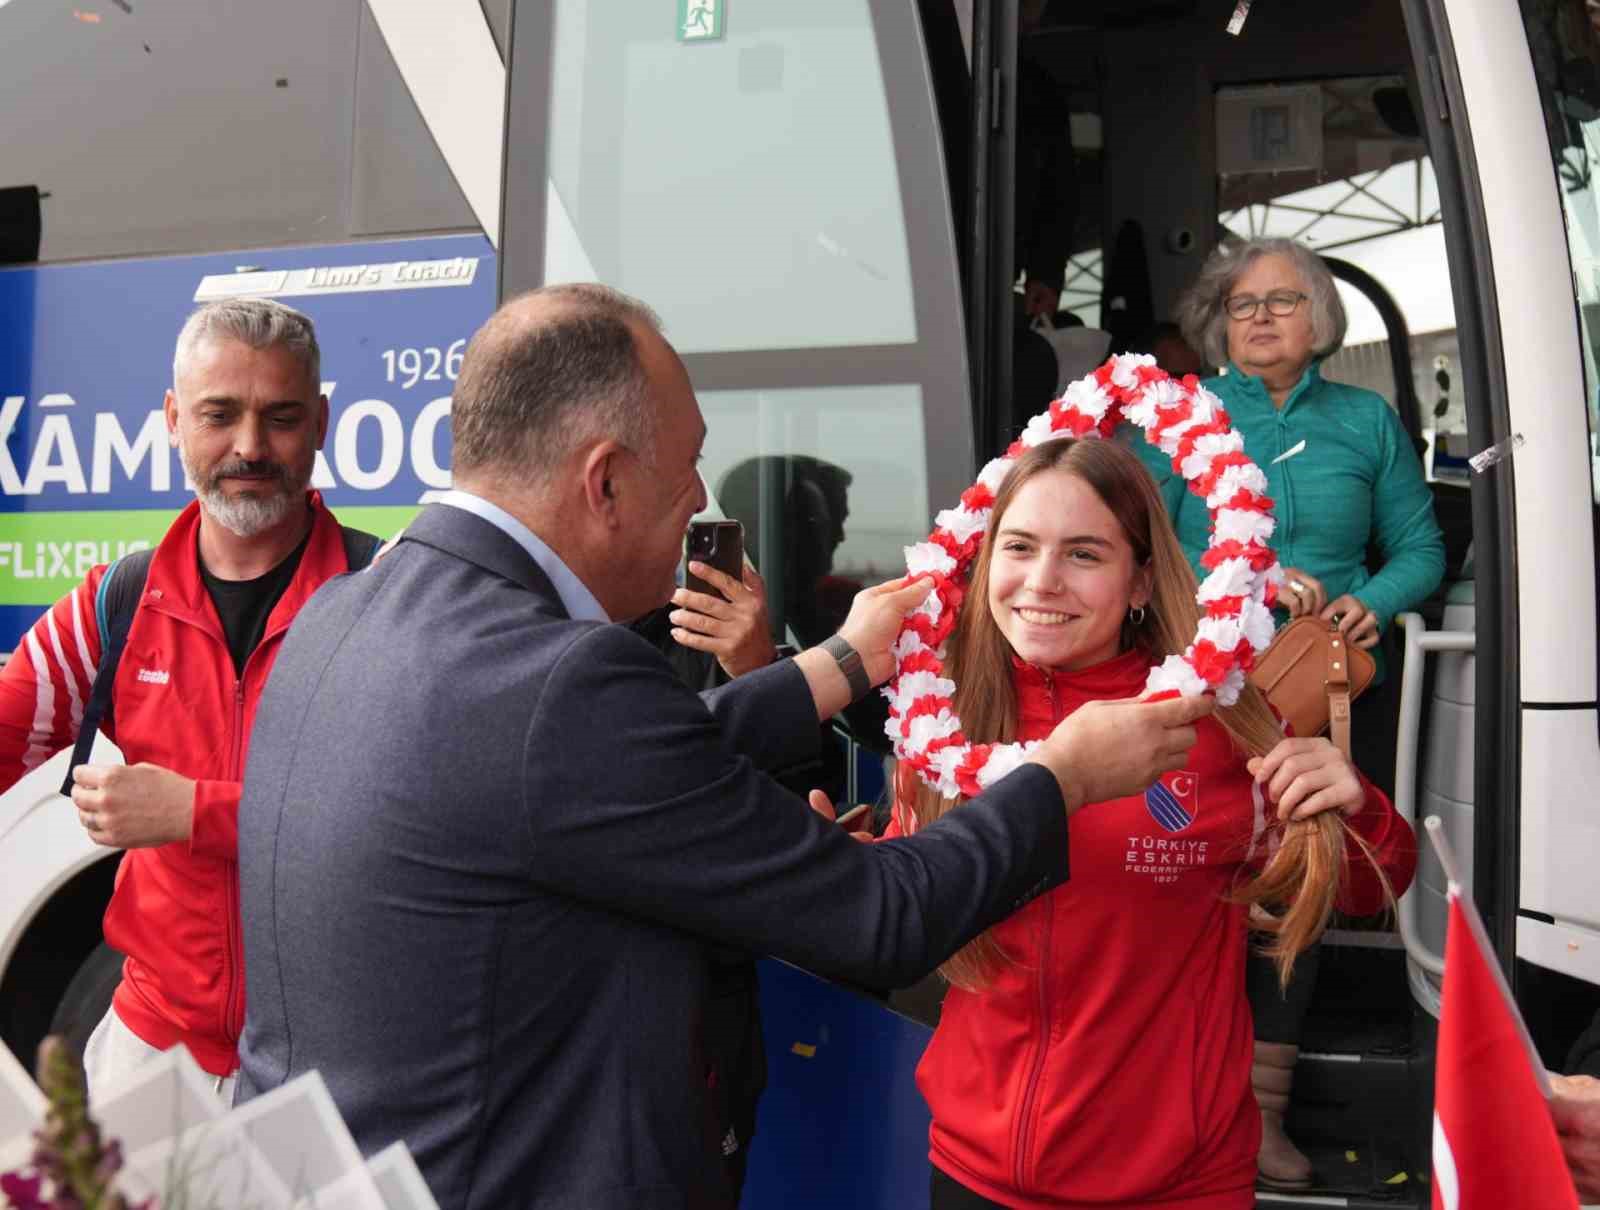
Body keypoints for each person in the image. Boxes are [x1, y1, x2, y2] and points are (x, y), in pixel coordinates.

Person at [231, 283, 1215, 1210]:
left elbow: (611, 770)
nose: (700, 493)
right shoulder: (565, 683)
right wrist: (1066, 771)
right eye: (687, 460)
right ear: (605, 478)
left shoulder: (341, 610)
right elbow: (882, 914)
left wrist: (835, 663)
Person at [852, 436, 1415, 1209]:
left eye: (1084, 554)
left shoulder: (1216, 722)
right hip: (970, 1168)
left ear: (1142, 579)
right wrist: (853, 865)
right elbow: (909, 917)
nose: (1042, 581)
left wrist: (1357, 809)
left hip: (1175, 1184)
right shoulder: (941, 721)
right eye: (1019, 547)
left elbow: (1362, 889)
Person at [1134, 236, 1445, 1188]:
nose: (1260, 317)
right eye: (1241, 305)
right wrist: (1255, 580)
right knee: (1183, 882)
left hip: (1323, 698)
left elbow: (1423, 546)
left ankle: (1258, 1118)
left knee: (1294, 891)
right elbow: (1141, 552)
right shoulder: (1186, 418)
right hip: (1206, 693)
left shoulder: (1367, 420)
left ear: (1320, 318)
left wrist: (1378, 599)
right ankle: (1174, 1106)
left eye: (1281, 301)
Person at [0, 298, 363, 1102]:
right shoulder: (114, 606)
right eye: (219, 415)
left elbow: (404, 821)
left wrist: (193, 811)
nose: (248, 447)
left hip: (337, 1066)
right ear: (172, 420)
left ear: (323, 422)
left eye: (280, 417)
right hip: (155, 1054)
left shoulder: (380, 603)